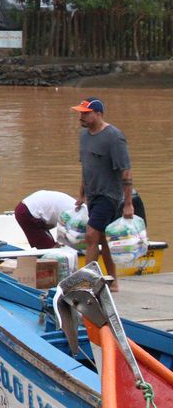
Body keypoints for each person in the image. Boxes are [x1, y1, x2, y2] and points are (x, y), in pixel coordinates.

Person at [72, 98, 134, 291]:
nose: (81, 116)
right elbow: (86, 167)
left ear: (98, 114)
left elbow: (126, 171)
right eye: (80, 113)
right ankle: (113, 280)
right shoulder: (84, 136)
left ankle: (85, 283)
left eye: (85, 113)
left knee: (91, 235)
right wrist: (81, 195)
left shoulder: (114, 137)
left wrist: (128, 203)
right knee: (102, 239)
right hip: (92, 195)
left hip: (110, 195)